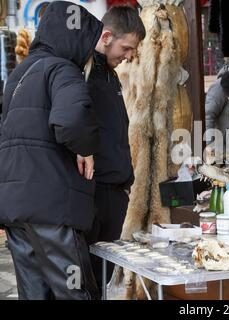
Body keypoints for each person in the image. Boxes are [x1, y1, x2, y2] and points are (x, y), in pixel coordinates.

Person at [0, 1, 102, 300]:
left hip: (16, 208)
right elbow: (70, 121)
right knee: (74, 291)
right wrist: (86, 148)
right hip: (51, 206)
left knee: (34, 294)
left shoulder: (20, 75)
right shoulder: (62, 69)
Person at [84, 6, 145, 291]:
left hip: (114, 193)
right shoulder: (81, 71)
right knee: (87, 280)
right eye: (127, 47)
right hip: (93, 193)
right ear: (107, 36)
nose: (130, 56)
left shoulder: (110, 74)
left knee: (103, 279)